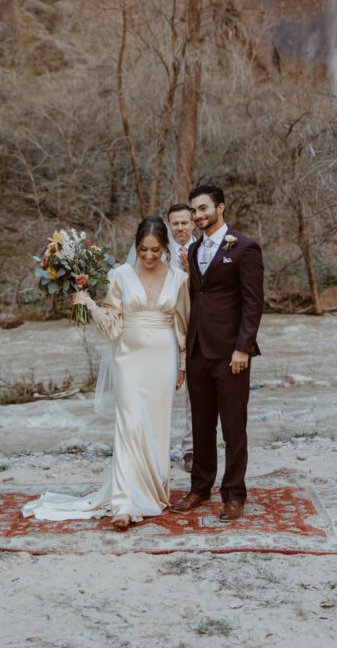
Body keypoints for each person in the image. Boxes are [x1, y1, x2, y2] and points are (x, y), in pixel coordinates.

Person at [23, 215, 189, 531]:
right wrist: (88, 303)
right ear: (136, 247)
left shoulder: (179, 279)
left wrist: (182, 364)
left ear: (164, 247)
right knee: (128, 426)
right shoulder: (120, 275)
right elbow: (112, 325)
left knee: (156, 429)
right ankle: (125, 502)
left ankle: (154, 494)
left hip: (164, 360)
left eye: (155, 250)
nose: (150, 256)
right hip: (129, 359)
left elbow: (182, 325)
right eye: (143, 249)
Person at [171, 184, 264, 522]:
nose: (197, 215)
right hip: (198, 351)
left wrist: (243, 347)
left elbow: (253, 304)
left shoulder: (244, 248)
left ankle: (234, 494)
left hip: (230, 353)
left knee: (234, 427)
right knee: (201, 424)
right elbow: (198, 297)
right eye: (194, 210)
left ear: (220, 208)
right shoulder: (193, 250)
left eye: (203, 208)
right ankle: (199, 488)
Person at [167, 203, 197, 473]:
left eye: (184, 223)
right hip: (167, 329)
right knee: (163, 389)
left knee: (196, 394)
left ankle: (191, 450)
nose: (180, 228)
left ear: (193, 223)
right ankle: (154, 448)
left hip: (198, 329)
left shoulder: (205, 250)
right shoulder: (159, 254)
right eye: (174, 223)